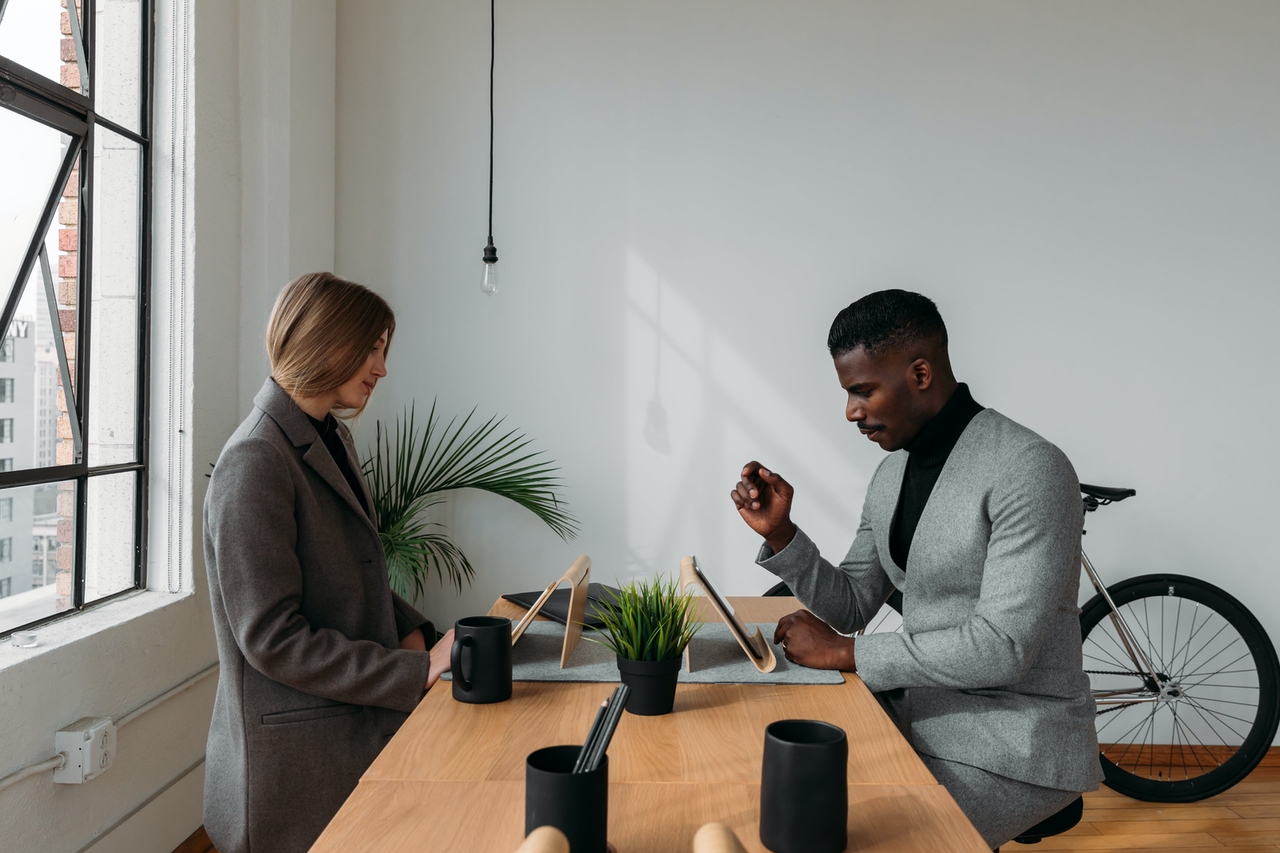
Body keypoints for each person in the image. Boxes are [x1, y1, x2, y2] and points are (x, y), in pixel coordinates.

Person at [730, 290, 1102, 848]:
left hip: (1014, 743)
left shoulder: (1030, 468)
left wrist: (847, 653)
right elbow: (855, 602)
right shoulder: (890, 476)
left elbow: (1003, 647)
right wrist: (783, 534)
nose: (851, 412)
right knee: (778, 797)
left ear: (921, 373)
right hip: (913, 712)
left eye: (862, 390)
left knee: (849, 834)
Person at [203, 273, 454, 853]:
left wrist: (414, 631)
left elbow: (349, 568)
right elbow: (271, 638)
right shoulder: (254, 461)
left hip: (342, 733)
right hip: (291, 768)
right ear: (329, 341)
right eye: (372, 348)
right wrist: (415, 672)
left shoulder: (329, 436)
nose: (382, 368)